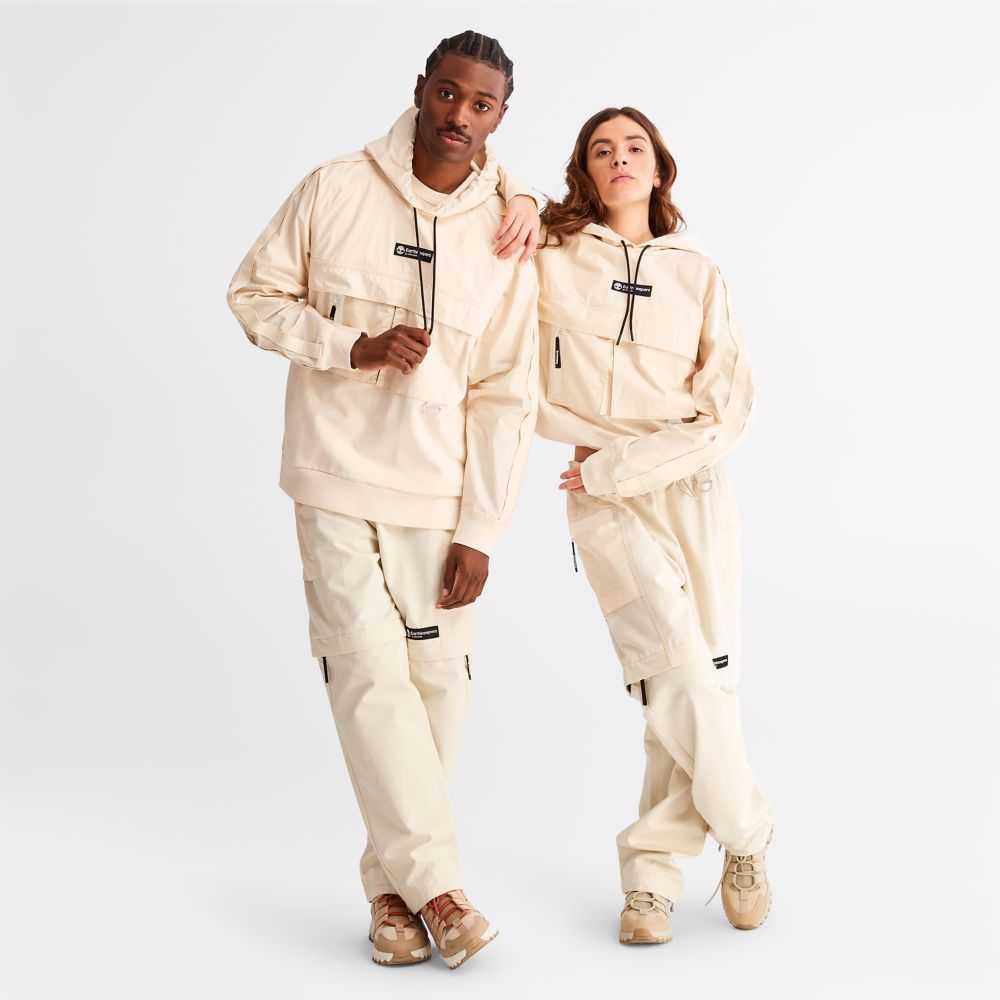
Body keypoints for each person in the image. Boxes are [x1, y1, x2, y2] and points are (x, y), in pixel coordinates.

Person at [227, 30, 540, 970]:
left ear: (501, 117)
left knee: (436, 692)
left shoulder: (507, 230)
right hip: (332, 473)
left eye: (481, 104)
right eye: (447, 93)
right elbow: (253, 295)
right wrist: (348, 347)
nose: (459, 115)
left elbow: (508, 394)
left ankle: (390, 893)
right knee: (367, 674)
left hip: (439, 492)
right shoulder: (334, 188)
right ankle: (440, 891)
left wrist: (483, 528)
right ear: (420, 88)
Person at [535, 107, 774, 944]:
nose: (619, 159)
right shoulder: (549, 257)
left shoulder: (698, 271)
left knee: (701, 682)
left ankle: (650, 884)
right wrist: (599, 462)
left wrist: (625, 462)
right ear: (585, 171)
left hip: (693, 490)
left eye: (634, 146)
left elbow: (730, 409)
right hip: (601, 495)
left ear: (659, 167)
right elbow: (508, 364)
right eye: (601, 150)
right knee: (675, 673)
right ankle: (748, 831)